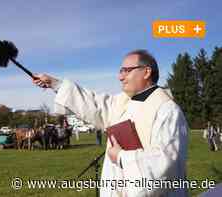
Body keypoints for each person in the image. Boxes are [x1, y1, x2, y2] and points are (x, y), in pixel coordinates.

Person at [32, 50, 188, 196]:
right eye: (121, 71)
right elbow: (94, 104)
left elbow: (166, 162)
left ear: (146, 72)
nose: (120, 77)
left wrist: (121, 157)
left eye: (127, 70)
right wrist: (55, 84)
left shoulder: (166, 110)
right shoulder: (122, 102)